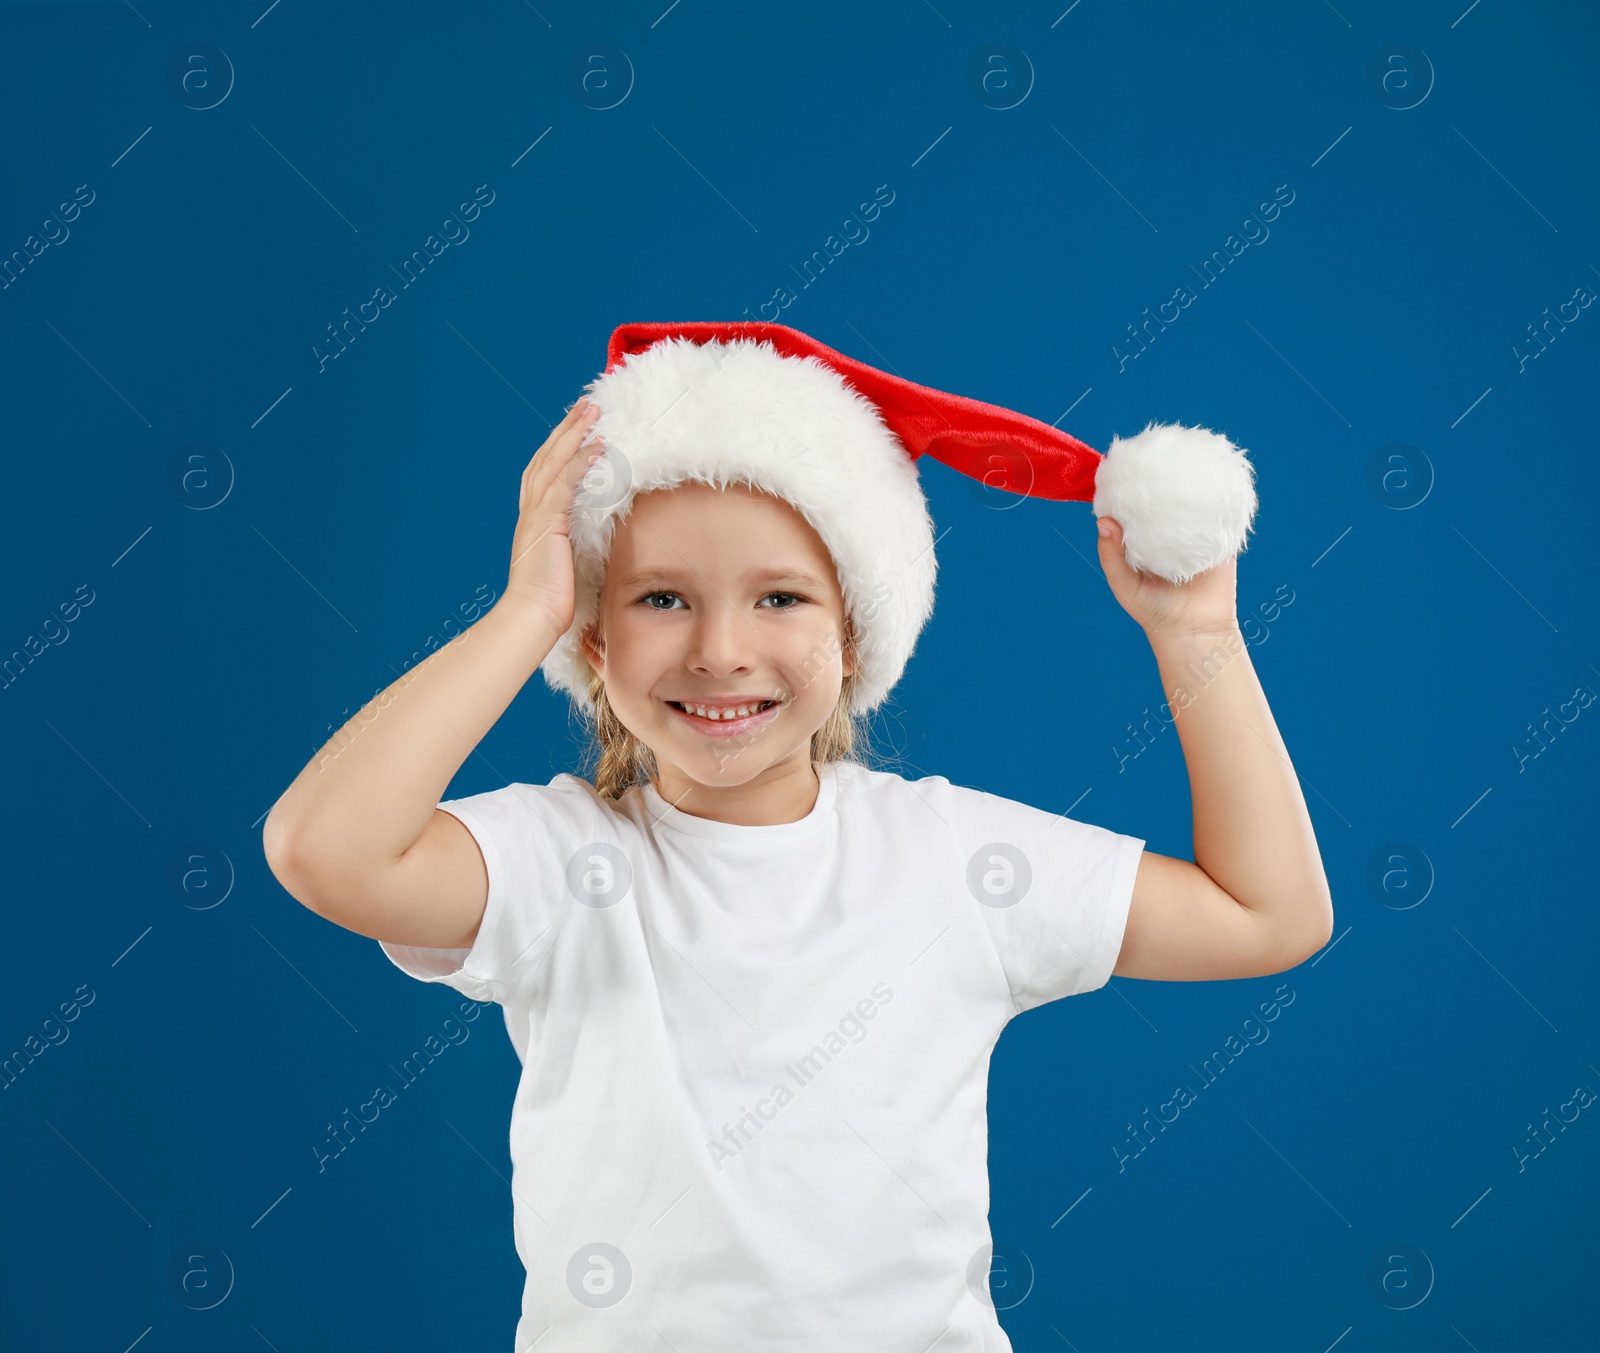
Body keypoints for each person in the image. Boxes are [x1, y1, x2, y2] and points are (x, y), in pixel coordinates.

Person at [263, 322, 1333, 1351]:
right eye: (661, 598)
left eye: (779, 597)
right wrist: (521, 611)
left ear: (856, 629)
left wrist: (1198, 634)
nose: (721, 650)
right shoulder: (557, 861)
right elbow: (325, 849)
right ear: (593, 638)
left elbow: (1266, 915)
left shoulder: (951, 861)